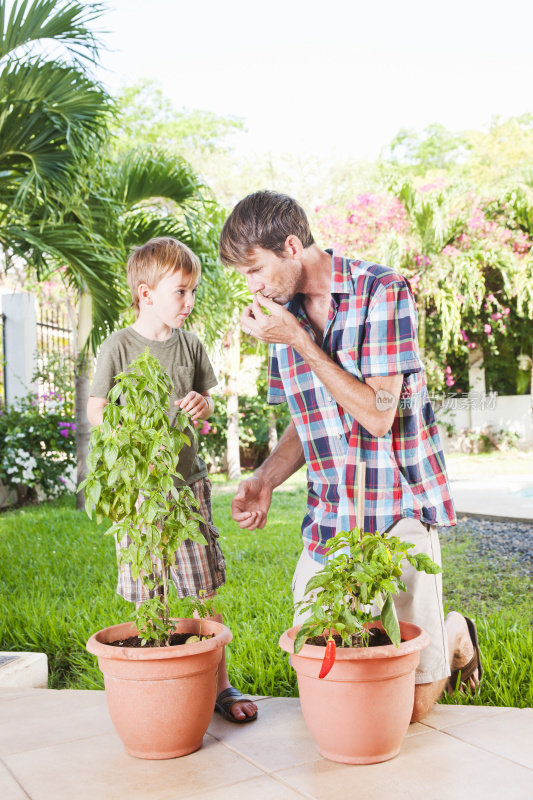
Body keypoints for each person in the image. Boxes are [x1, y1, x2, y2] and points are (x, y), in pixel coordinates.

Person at [219, 191, 482, 723]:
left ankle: (455, 633)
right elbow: (308, 414)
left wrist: (299, 340)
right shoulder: (282, 316)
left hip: (397, 505)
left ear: (292, 246)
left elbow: (379, 413)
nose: (252, 287)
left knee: (410, 709)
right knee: (323, 672)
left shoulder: (382, 292)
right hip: (332, 514)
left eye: (256, 270)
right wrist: (267, 477)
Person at [87, 236, 257, 724]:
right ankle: (159, 679)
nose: (190, 301)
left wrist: (201, 408)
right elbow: (97, 411)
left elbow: (204, 401)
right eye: (181, 292)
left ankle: (221, 685)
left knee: (202, 585)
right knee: (149, 586)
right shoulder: (119, 346)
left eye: (193, 292)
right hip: (141, 488)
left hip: (188, 486)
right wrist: (135, 430)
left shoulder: (191, 345)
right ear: (146, 294)